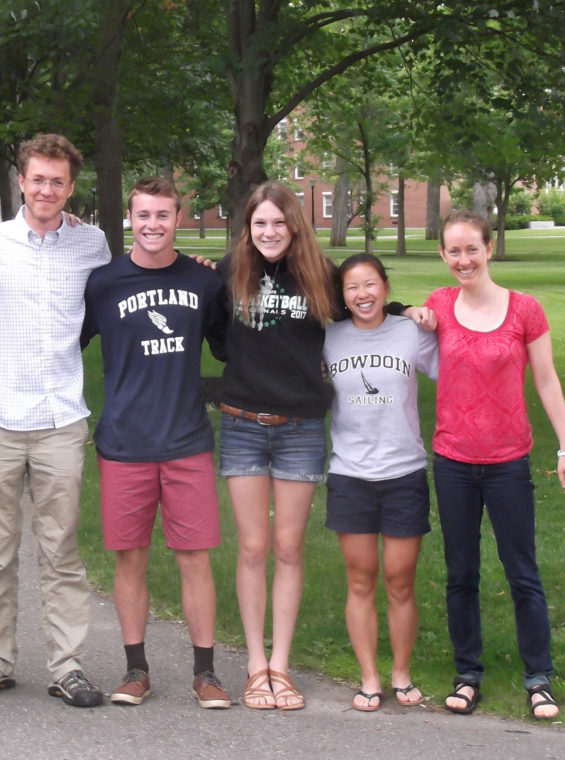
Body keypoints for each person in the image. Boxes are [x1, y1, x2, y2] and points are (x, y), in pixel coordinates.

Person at [0, 134, 111, 707]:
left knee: (61, 548)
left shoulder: (92, 244)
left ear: (72, 187)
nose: (47, 189)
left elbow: (115, 304)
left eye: (58, 181)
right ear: (21, 181)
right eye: (38, 178)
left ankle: (66, 665)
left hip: (61, 417)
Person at [81, 177, 230, 709]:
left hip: (187, 440)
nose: (152, 225)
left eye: (163, 215)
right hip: (123, 442)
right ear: (129, 217)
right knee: (131, 559)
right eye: (143, 215)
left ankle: (206, 672)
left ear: (178, 217)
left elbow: (232, 343)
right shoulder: (102, 283)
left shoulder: (204, 281)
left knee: (195, 558)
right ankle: (135, 669)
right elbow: (58, 342)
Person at [426, 209, 565, 720]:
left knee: (522, 573)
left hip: (508, 461)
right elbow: (399, 323)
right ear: (443, 255)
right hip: (452, 461)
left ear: (490, 249)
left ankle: (538, 679)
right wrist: (410, 314)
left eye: (472, 248)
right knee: (461, 574)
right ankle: (467, 675)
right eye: (454, 251)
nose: (463, 259)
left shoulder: (525, 310)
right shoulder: (440, 306)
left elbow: (547, 380)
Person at [215, 182, 335, 710]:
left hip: (300, 430)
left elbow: (365, 302)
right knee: (253, 547)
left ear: (294, 226)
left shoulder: (321, 276)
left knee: (287, 548)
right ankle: (254, 663)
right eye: (259, 223)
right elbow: (212, 335)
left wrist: (414, 311)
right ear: (248, 227)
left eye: (279, 224)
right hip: (241, 425)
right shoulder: (227, 273)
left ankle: (281, 667)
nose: (269, 233)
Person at [323, 253, 438, 712]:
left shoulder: (410, 332)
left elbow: (454, 370)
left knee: (400, 579)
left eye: (370, 285)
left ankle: (401, 672)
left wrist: (420, 313)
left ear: (386, 288)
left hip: (404, 471)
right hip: (350, 474)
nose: (362, 295)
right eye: (352, 287)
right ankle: (369, 676)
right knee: (360, 579)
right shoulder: (328, 338)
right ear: (342, 295)